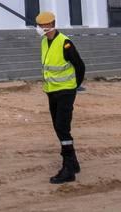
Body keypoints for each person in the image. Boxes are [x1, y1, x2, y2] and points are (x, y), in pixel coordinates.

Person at [36, 10, 85, 184]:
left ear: (52, 25)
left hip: (65, 92)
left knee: (63, 128)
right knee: (58, 127)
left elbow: (80, 65)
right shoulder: (44, 42)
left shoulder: (65, 43)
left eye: (45, 25)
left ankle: (68, 168)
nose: (42, 28)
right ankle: (74, 162)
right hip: (51, 91)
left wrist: (74, 86)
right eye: (40, 25)